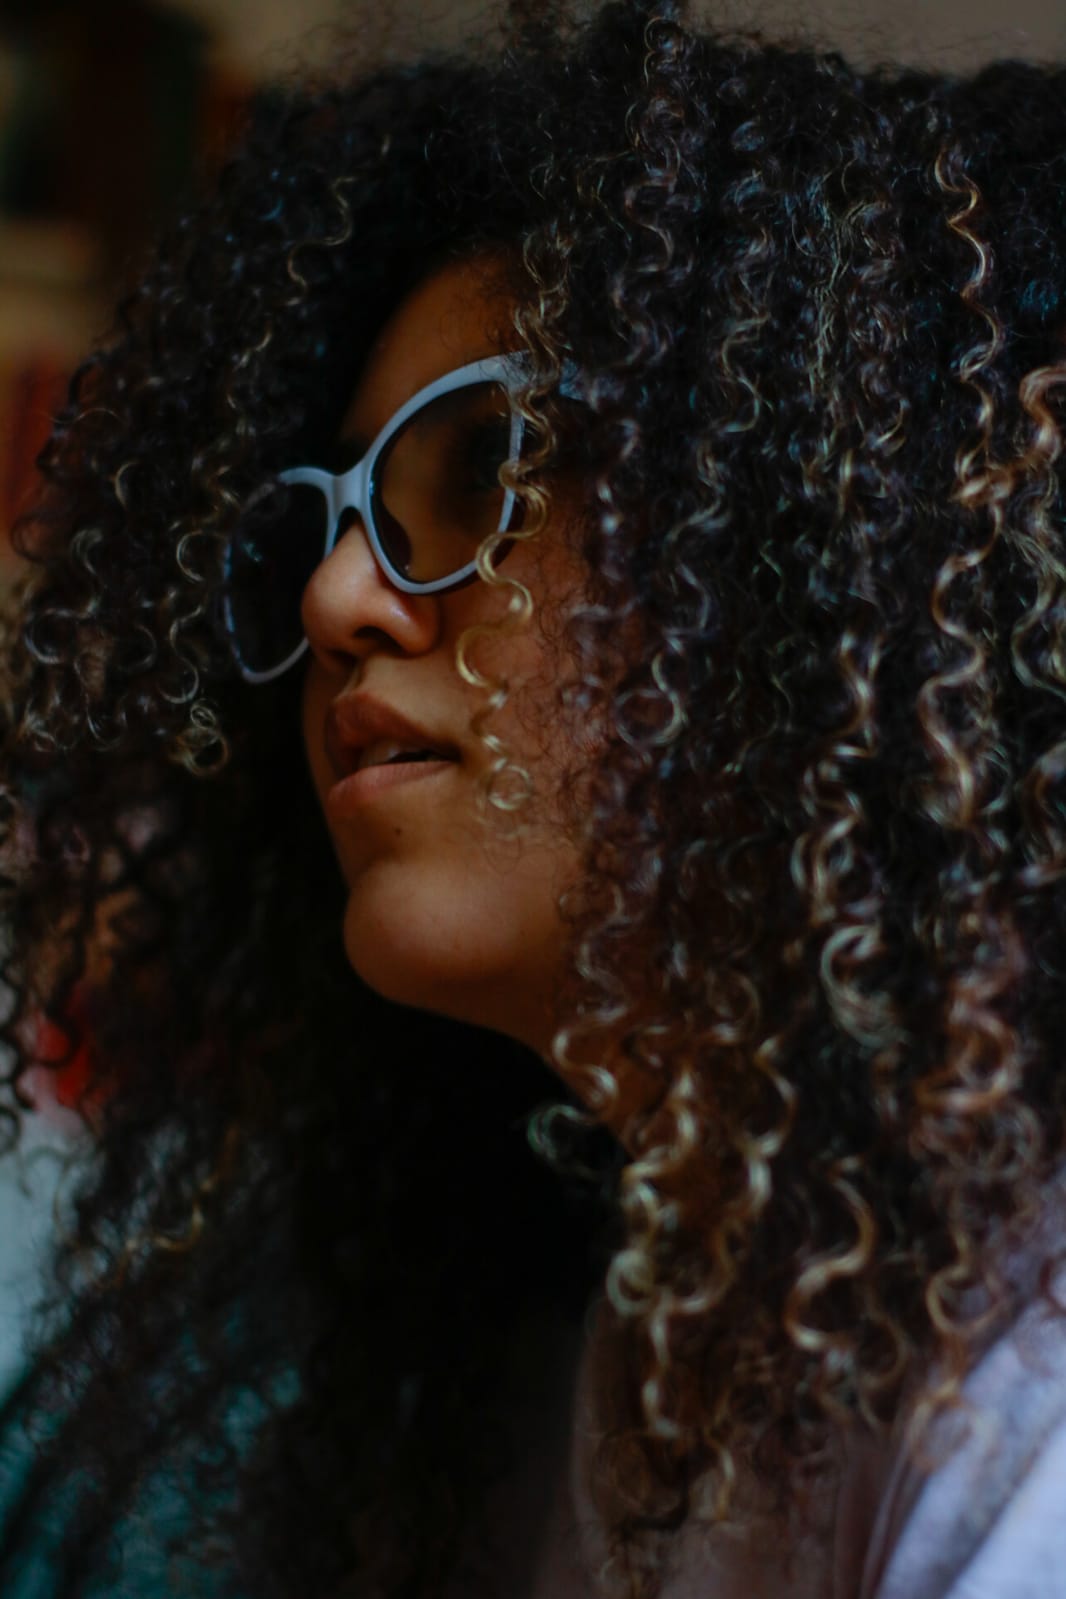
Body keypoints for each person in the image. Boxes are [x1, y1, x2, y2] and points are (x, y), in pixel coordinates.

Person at [1, 0, 1066, 1593]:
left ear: (806, 553)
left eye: (491, 463)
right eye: (325, 519)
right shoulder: (575, 1355)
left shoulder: (1026, 1348)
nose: (337, 598)